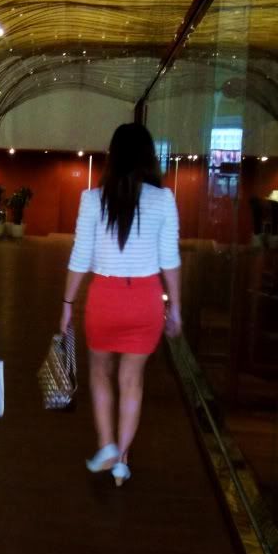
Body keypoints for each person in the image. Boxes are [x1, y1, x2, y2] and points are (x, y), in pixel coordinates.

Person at [60, 123, 182, 486]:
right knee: (132, 379)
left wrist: (67, 303)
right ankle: (122, 461)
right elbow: (170, 260)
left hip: (105, 298)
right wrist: (175, 307)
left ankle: (107, 445)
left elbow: (80, 257)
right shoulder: (163, 199)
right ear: (149, 157)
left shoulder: (92, 199)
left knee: (100, 372)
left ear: (112, 156)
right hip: (145, 300)